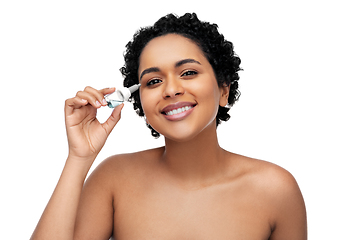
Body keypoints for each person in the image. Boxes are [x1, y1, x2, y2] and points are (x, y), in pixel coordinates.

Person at [31, 13, 307, 240]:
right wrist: (79, 158)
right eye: (153, 81)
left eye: (188, 73)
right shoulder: (114, 179)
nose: (171, 90)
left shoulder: (275, 190)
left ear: (224, 90)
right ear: (140, 100)